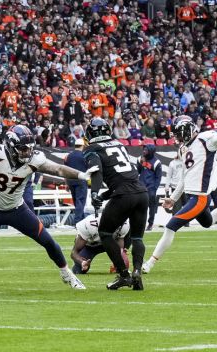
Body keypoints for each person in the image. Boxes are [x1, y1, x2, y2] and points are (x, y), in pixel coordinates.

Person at [0, 124, 91, 291]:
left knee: (49, 242)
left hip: (17, 210)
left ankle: (67, 274)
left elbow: (58, 169)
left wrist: (82, 175)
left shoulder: (34, 159)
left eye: (29, 149)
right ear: (11, 146)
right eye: (23, 149)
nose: (27, 152)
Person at [143, 116, 217, 273]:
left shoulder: (205, 139)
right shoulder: (183, 148)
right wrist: (173, 198)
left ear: (187, 131)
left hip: (199, 197)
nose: (177, 137)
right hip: (193, 196)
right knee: (209, 221)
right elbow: (184, 178)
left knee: (171, 227)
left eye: (179, 133)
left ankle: (150, 263)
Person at [84, 116, 150, 291]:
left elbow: (96, 171)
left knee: (105, 233)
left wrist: (95, 192)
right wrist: (105, 196)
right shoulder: (119, 144)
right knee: (137, 237)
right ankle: (136, 271)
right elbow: (129, 173)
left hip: (123, 195)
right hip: (141, 192)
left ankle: (124, 275)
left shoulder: (93, 148)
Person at [136, 144, 163, 231]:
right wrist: (141, 163)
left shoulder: (157, 162)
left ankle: (150, 224)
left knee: (151, 207)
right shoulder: (140, 158)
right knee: (140, 207)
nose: (144, 151)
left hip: (151, 188)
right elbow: (138, 171)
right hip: (141, 186)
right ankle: (140, 224)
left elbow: (158, 177)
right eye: (144, 149)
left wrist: (154, 188)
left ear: (151, 151)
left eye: (146, 150)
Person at [63, 144, 90, 225]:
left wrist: (66, 183)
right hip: (81, 180)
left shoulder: (68, 156)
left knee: (76, 202)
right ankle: (77, 221)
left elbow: (64, 171)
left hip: (71, 181)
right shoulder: (85, 155)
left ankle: (81, 221)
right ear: (82, 146)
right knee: (80, 202)